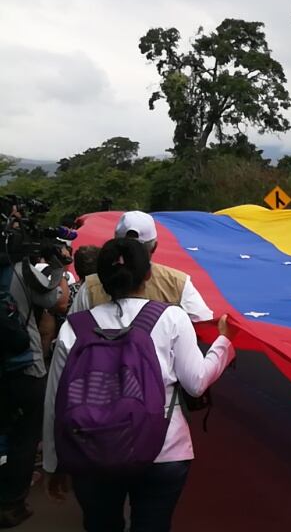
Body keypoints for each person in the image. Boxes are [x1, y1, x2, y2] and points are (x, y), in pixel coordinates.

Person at [42, 238, 235, 531]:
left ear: (100, 278)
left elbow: (56, 398)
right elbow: (196, 383)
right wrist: (223, 343)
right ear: (148, 274)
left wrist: (54, 464)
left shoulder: (75, 326)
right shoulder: (171, 318)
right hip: (164, 450)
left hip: (90, 451)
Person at [0, 256, 68, 527]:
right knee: (24, 438)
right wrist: (58, 266)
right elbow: (59, 302)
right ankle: (11, 503)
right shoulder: (21, 272)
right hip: (24, 369)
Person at [72, 211, 213, 323]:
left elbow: (71, 334)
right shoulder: (178, 283)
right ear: (154, 247)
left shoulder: (90, 287)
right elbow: (203, 324)